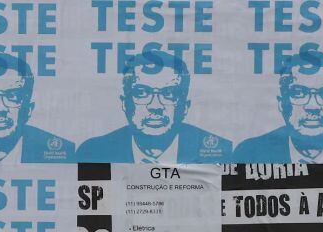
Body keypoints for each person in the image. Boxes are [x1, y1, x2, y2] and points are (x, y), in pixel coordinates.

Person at [78, 50, 231, 163]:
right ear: (125, 103)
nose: (155, 106)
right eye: (142, 93)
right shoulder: (93, 153)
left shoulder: (221, 152)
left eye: (169, 93)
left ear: (185, 107)